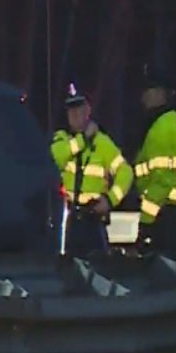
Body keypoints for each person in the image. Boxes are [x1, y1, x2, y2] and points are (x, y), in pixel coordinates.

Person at [49, 83, 132, 257]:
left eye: (79, 110)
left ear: (88, 111)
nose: (75, 116)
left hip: (93, 220)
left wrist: (109, 200)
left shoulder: (102, 142)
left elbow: (125, 172)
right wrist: (83, 139)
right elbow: (58, 156)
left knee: (98, 266)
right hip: (70, 219)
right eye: (71, 111)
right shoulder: (61, 138)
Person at [132, 63, 176, 261]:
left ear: (160, 93)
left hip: (166, 221)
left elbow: (161, 181)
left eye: (148, 90)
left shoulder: (160, 129)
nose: (142, 97)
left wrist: (145, 222)